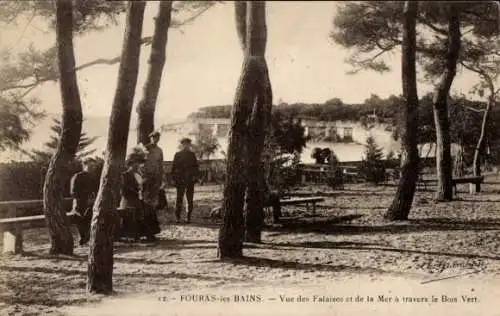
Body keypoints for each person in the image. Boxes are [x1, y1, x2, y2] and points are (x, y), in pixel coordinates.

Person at [69, 158, 99, 245]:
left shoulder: (93, 177)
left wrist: (93, 198)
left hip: (91, 203)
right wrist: (86, 198)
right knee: (82, 217)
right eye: (90, 166)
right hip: (80, 203)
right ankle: (83, 238)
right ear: (84, 165)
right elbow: (73, 192)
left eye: (93, 166)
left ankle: (88, 238)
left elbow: (96, 190)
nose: (92, 168)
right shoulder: (77, 176)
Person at [118, 151, 146, 242]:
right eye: (135, 163)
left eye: (138, 163)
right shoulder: (125, 175)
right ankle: (129, 235)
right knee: (130, 214)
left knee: (140, 213)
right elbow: (123, 190)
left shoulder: (139, 174)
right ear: (130, 164)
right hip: (128, 199)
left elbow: (142, 186)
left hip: (138, 198)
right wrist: (135, 190)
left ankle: (138, 234)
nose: (137, 165)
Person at [141, 131, 163, 239]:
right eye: (154, 137)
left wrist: (161, 178)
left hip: (156, 178)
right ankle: (146, 231)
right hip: (146, 178)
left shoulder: (159, 150)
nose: (156, 139)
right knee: (146, 203)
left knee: (154, 203)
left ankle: (152, 230)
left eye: (157, 137)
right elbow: (140, 163)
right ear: (150, 138)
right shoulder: (145, 149)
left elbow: (160, 164)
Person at [172, 137, 199, 223]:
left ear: (189, 145)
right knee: (179, 199)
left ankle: (188, 217)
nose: (186, 145)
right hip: (180, 180)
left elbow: (196, 167)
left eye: (187, 143)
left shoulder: (192, 155)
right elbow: (173, 168)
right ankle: (178, 217)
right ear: (182, 144)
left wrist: (195, 177)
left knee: (189, 199)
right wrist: (174, 179)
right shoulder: (177, 155)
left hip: (190, 180)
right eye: (184, 143)